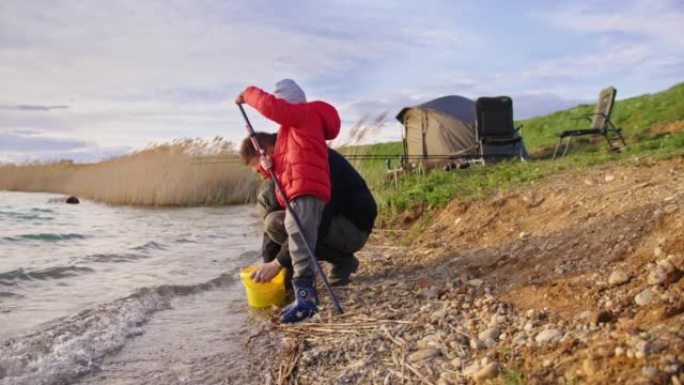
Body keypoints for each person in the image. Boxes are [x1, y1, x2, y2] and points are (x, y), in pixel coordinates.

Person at [235, 79, 340, 323]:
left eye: (280, 102)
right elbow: (285, 167)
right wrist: (267, 168)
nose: (278, 110)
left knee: (300, 243)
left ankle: (307, 300)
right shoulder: (291, 131)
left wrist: (248, 95)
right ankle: (304, 295)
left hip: (306, 189)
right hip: (299, 189)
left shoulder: (304, 115)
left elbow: (272, 107)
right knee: (297, 238)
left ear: (289, 102)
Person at [239, 132, 377, 288]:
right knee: (272, 213)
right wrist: (269, 268)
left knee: (279, 223)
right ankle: (291, 278)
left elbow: (316, 223)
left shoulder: (305, 162)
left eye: (260, 169)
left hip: (353, 228)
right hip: (329, 222)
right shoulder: (284, 164)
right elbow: (273, 225)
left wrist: (277, 264)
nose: (262, 175)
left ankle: (343, 260)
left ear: (269, 153)